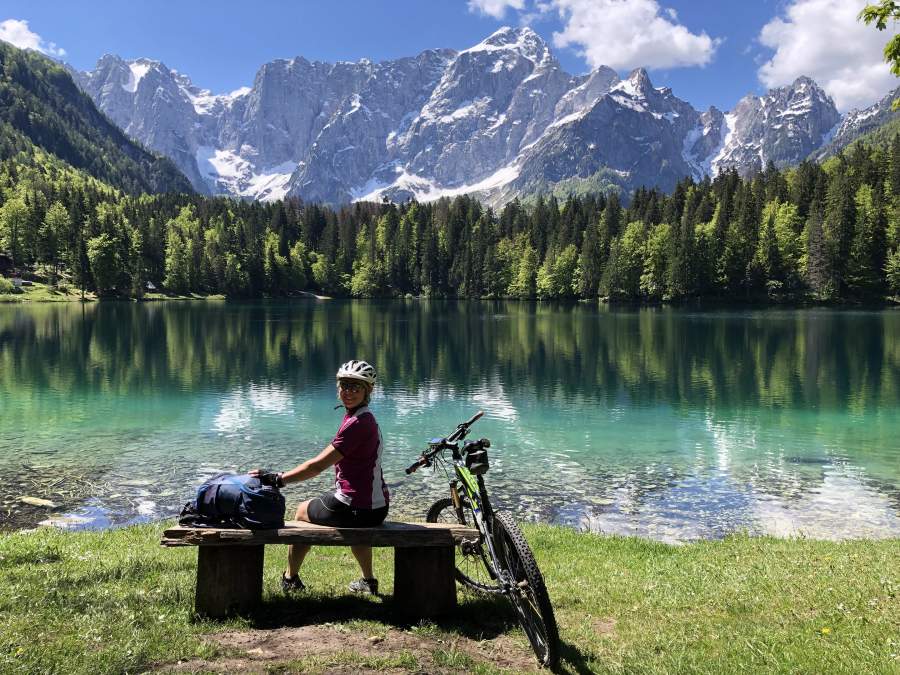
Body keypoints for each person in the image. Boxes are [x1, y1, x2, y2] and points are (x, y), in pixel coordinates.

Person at [255, 360, 389, 595]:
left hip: (354, 507)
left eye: (356, 387)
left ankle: (290, 578)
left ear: (368, 391)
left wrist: (278, 479)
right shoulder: (364, 417)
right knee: (357, 524)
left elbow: (316, 466)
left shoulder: (357, 423)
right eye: (344, 386)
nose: (348, 392)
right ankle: (368, 581)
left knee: (302, 512)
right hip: (377, 508)